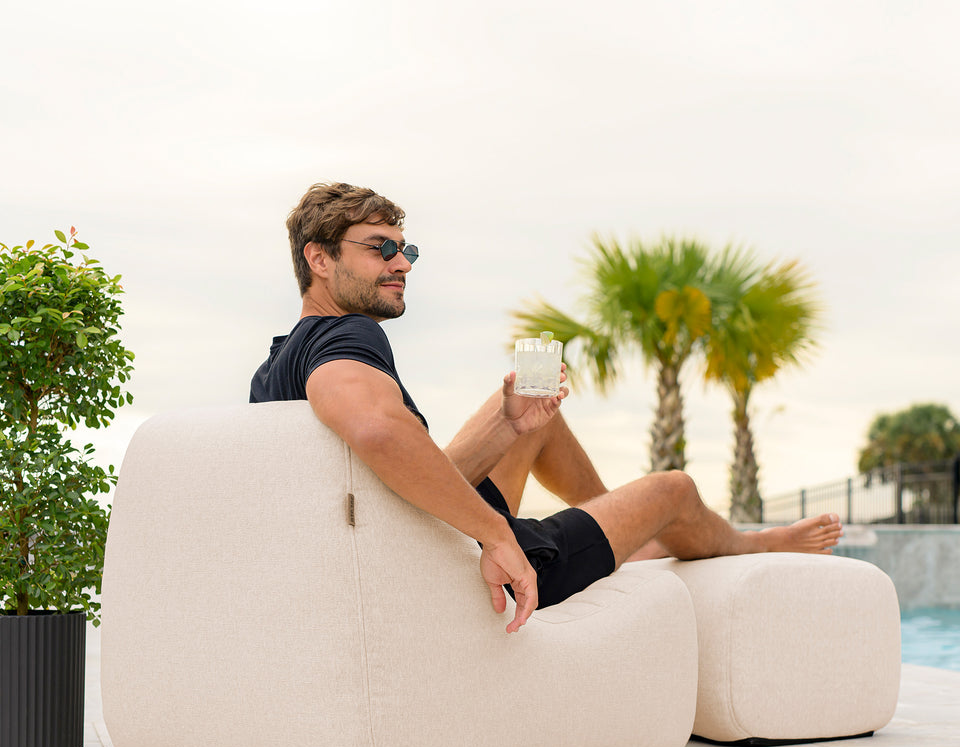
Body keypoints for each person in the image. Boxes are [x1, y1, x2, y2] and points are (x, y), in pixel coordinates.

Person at [250, 182, 843, 634]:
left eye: (406, 251)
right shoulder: (350, 337)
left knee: (534, 417)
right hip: (459, 556)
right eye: (381, 249)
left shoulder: (278, 363)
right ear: (320, 260)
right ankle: (747, 543)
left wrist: (507, 424)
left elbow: (380, 483)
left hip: (409, 532)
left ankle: (612, 528)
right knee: (676, 490)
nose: (401, 264)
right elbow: (379, 431)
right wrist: (494, 535)